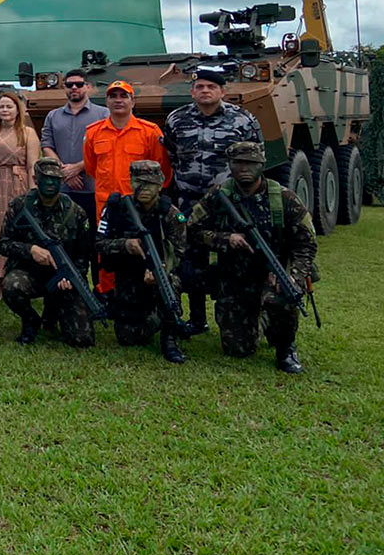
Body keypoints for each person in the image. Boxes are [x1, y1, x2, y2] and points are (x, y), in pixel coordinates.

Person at [186, 141, 318, 373]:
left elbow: (306, 244)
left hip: (274, 273)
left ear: (262, 165)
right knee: (238, 349)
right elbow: (193, 229)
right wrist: (225, 239)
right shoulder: (219, 195)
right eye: (238, 163)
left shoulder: (284, 198)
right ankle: (262, 318)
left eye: (251, 163)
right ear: (230, 166)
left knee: (283, 296)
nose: (244, 168)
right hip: (235, 277)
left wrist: (292, 276)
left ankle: (285, 347)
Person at [165, 66, 263, 336]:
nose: (205, 91)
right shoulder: (177, 119)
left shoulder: (243, 120)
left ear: (223, 91)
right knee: (190, 260)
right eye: (200, 87)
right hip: (189, 203)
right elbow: (172, 155)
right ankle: (197, 319)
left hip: (229, 203)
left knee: (233, 258)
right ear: (192, 91)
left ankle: (236, 316)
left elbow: (256, 159)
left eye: (211, 87)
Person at [83, 80, 172, 299]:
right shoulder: (94, 132)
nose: (118, 100)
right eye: (113, 96)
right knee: (106, 250)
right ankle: (108, 293)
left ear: (133, 101)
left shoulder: (149, 132)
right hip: (107, 204)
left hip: (141, 205)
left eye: (124, 96)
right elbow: (91, 167)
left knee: (144, 246)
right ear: (107, 102)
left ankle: (144, 292)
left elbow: (162, 170)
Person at [95, 160, 189, 363]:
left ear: (161, 184)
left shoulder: (171, 214)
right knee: (128, 338)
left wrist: (162, 269)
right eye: (139, 182)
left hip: (160, 275)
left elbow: (179, 251)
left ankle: (170, 338)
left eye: (150, 183)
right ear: (131, 182)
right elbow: (98, 243)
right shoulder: (116, 208)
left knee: (170, 287)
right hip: (128, 276)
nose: (144, 188)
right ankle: (155, 318)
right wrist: (124, 244)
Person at [0, 157, 93, 347]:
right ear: (35, 179)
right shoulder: (19, 206)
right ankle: (31, 320)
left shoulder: (76, 212)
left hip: (62, 277)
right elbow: (4, 244)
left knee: (82, 339)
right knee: (11, 285)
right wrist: (30, 250)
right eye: (46, 178)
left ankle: (52, 313)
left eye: (55, 179)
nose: (50, 183)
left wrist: (73, 276)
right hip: (28, 272)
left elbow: (84, 255)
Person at [41, 69, 109, 292]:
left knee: (96, 244)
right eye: (69, 85)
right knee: (65, 241)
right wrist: (64, 172)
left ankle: (100, 290)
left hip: (93, 190)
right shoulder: (53, 116)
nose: (74, 88)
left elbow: (105, 149)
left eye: (79, 84)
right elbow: (47, 145)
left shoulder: (103, 115)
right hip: (64, 191)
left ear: (88, 86)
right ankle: (67, 288)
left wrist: (79, 168)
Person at [0, 92, 40, 301]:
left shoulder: (27, 133)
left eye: (9, 106)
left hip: (18, 184)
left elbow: (32, 165)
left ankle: (19, 280)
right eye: (1, 106)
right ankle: (0, 283)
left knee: (16, 232)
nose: (5, 110)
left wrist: (32, 194)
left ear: (17, 110)